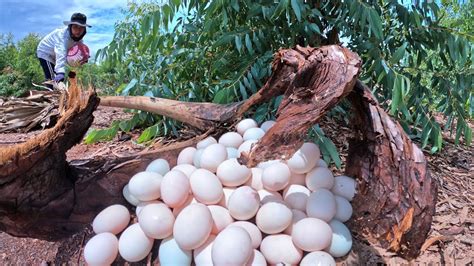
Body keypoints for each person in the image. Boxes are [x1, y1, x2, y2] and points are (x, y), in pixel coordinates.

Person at [36, 13, 91, 88]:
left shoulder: (79, 38)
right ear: (70, 27)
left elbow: (79, 49)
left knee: (56, 76)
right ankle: (51, 96)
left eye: (81, 28)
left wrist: (84, 57)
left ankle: (57, 93)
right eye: (75, 27)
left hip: (56, 55)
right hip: (45, 52)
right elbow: (61, 52)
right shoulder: (62, 36)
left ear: (84, 29)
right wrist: (60, 72)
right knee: (52, 78)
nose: (78, 30)